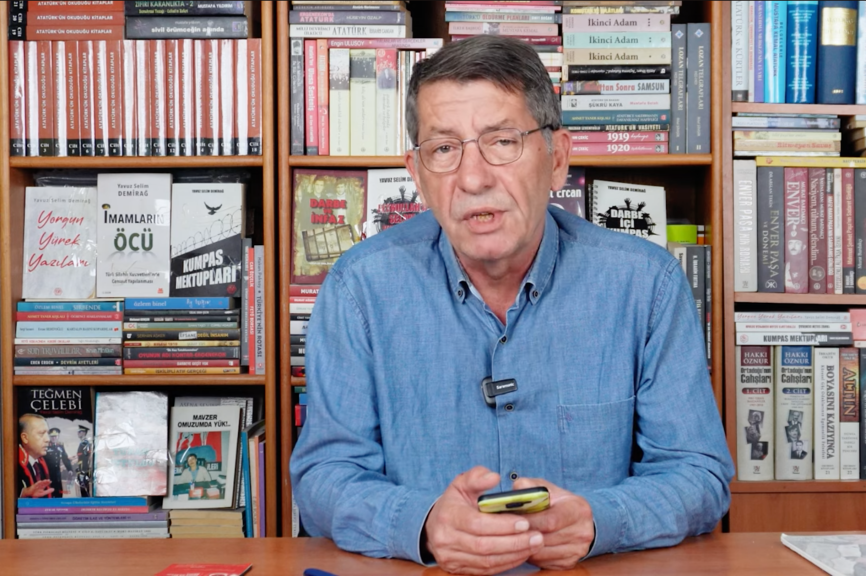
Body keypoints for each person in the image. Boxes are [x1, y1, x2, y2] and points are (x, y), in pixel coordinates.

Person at [290, 35, 733, 576]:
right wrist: (424, 522)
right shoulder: (359, 288)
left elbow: (698, 474)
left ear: (558, 159)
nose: (473, 179)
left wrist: (598, 520)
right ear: (417, 173)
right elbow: (324, 477)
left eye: (502, 142)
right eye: (445, 149)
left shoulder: (646, 285)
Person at [17, 414, 54, 499]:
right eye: (41, 434)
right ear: (25, 438)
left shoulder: (43, 462)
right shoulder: (12, 464)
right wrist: (24, 493)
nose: (48, 439)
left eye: (47, 433)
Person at [46, 427, 74, 497]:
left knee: (58, 490)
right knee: (49, 490)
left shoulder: (60, 446)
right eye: (52, 436)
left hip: (57, 472)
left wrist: (69, 469)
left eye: (55, 436)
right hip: (47, 472)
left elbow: (65, 458)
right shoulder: (46, 446)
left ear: (58, 437)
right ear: (50, 437)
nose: (54, 438)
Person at [76, 425, 92, 497]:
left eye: (80, 431)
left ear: (84, 433)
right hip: (82, 469)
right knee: (83, 489)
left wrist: (83, 471)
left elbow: (86, 457)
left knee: (84, 490)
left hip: (84, 470)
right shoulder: (82, 443)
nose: (78, 433)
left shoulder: (84, 443)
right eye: (78, 431)